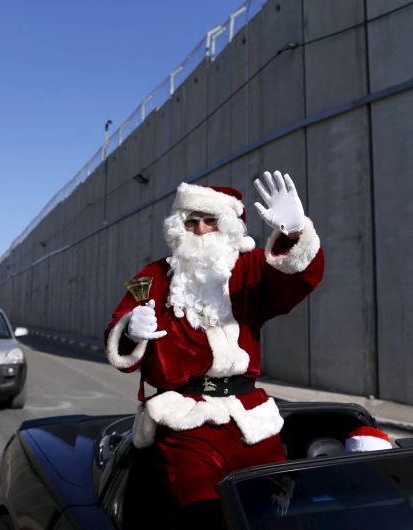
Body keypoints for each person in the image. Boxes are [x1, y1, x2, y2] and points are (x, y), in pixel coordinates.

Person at [105, 170, 325, 528]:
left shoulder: (250, 269)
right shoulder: (154, 276)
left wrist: (296, 233)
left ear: (229, 227)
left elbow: (298, 280)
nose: (202, 230)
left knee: (279, 509)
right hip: (185, 421)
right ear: (179, 227)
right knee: (204, 515)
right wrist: (129, 329)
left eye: (211, 221)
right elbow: (120, 342)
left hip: (249, 416)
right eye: (192, 222)